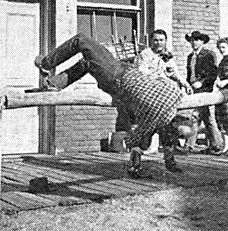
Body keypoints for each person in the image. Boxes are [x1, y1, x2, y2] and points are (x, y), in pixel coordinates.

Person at [33, 33, 184, 178]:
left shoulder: (174, 95)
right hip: (118, 76)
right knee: (87, 63)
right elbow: (144, 138)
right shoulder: (154, 120)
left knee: (81, 39)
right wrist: (168, 160)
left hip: (117, 74)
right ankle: (54, 83)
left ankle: (45, 63)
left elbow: (135, 139)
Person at [132, 29, 192, 153]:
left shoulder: (167, 56)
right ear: (151, 41)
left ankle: (171, 146)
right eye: (156, 40)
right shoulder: (145, 55)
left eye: (161, 40)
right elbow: (140, 74)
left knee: (169, 119)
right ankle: (151, 146)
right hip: (150, 91)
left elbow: (174, 73)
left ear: (165, 41)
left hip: (165, 93)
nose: (158, 43)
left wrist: (186, 84)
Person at [183, 30, 223, 155]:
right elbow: (190, 74)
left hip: (205, 89)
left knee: (195, 116)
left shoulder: (208, 55)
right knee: (207, 118)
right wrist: (188, 85)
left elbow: (212, 73)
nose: (194, 42)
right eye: (192, 40)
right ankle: (216, 144)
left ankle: (189, 145)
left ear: (202, 42)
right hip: (194, 89)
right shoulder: (190, 57)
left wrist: (201, 82)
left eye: (197, 40)